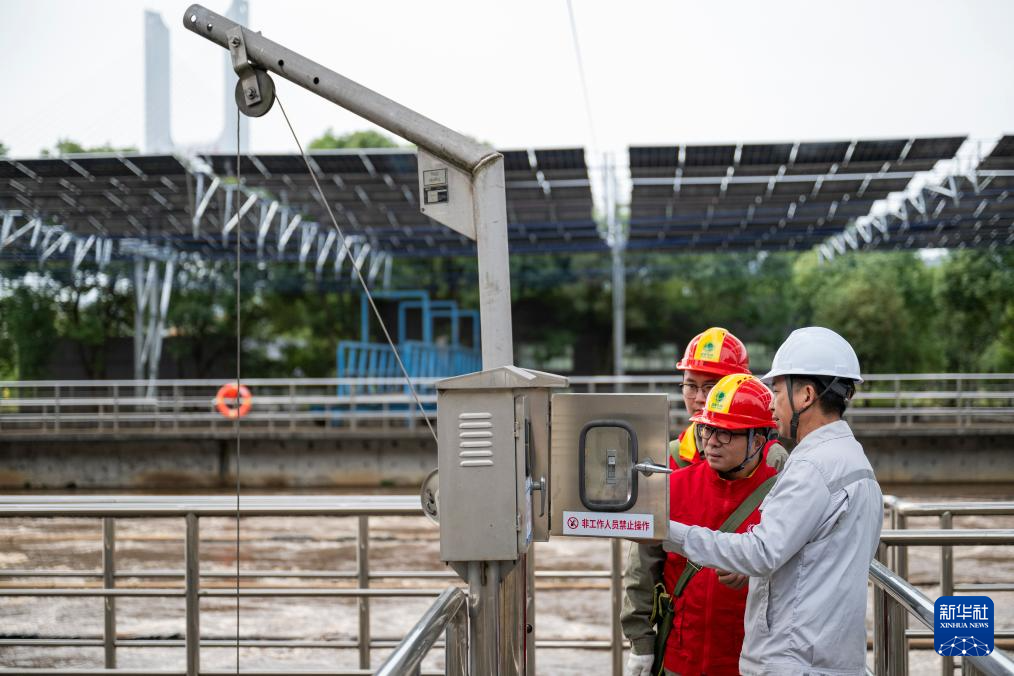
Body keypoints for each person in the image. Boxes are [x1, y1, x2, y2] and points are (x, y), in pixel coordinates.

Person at [661, 327, 883, 676]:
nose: (770, 402)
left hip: (794, 660)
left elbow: (761, 552)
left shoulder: (813, 467)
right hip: (825, 656)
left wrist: (664, 530)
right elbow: (809, 556)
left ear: (806, 395)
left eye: (777, 390)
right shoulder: (853, 460)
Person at [670, 327, 751, 468]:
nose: (699, 398)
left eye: (711, 388)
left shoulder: (769, 458)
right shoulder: (670, 457)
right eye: (691, 386)